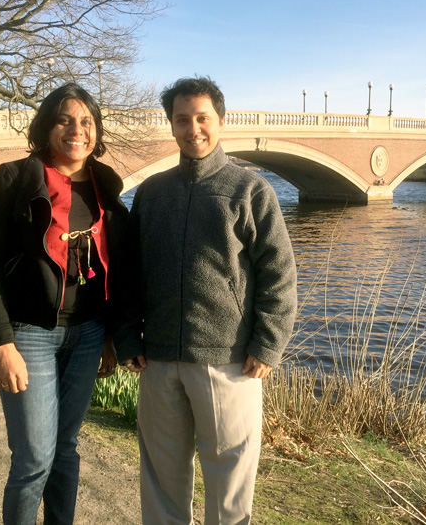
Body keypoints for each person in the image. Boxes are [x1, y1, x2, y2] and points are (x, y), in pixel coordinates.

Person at [115, 76, 298, 524]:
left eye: (202, 118)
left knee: (230, 484)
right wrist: (127, 336)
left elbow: (279, 273)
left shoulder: (250, 190)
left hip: (229, 362)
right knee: (161, 480)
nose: (192, 129)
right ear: (171, 124)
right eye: (182, 120)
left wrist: (268, 343)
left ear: (220, 120)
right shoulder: (152, 192)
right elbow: (129, 272)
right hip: (159, 360)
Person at [0, 82, 127, 524]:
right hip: (29, 335)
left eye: (86, 122)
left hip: (89, 332)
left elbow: (115, 264)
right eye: (64, 120)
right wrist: (1, 344)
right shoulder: (14, 178)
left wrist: (111, 335)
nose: (77, 130)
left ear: (96, 131)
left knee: (65, 450)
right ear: (46, 127)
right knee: (34, 458)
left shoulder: (105, 185)